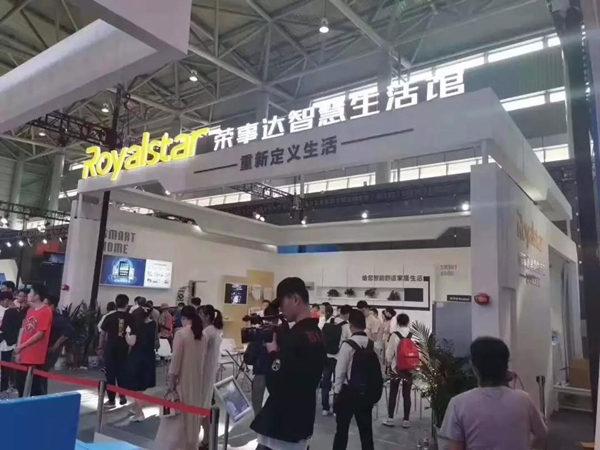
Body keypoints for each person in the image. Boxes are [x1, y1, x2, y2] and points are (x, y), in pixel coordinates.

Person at [251, 277, 326, 450]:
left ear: (295, 299)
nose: (280, 309)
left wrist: (272, 351)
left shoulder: (295, 336)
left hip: (283, 425)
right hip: (302, 418)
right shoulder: (316, 333)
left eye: (282, 303)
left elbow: (276, 381)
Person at [440, 337, 548, 450]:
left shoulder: (458, 404)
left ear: (474, 367)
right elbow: (542, 433)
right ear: (505, 366)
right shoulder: (524, 400)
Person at [154, 306, 208, 450]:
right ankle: (191, 445)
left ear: (183, 318)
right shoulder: (203, 335)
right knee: (192, 418)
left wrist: (171, 385)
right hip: (197, 383)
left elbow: (175, 363)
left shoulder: (181, 334)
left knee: (176, 422)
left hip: (182, 383)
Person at [333, 309, 382, 450]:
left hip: (348, 393)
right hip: (366, 395)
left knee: (341, 431)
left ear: (351, 325)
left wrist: (336, 391)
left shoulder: (347, 345)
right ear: (364, 325)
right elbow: (378, 369)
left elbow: (340, 371)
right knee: (366, 433)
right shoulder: (373, 345)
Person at [14, 284, 53, 397]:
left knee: (35, 387)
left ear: (37, 296)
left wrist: (21, 347)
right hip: (23, 352)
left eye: (31, 292)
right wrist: (19, 348)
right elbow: (23, 329)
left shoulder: (46, 311)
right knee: (20, 384)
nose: (28, 295)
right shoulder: (30, 310)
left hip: (35, 355)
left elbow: (40, 334)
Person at [99, 294, 135, 407]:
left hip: (110, 348)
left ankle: (111, 400)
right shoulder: (131, 318)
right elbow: (134, 334)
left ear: (116, 303)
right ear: (127, 304)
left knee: (110, 374)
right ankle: (122, 395)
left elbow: (103, 334)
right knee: (122, 373)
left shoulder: (109, 317)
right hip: (125, 348)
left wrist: (100, 347)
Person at [244, 304, 279, 414]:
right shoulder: (282, 332)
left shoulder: (260, 333)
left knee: (258, 408)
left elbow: (248, 359)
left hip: (260, 374)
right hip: (277, 375)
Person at [123, 306, 157, 422]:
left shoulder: (135, 326)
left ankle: (139, 413)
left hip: (137, 357)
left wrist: (126, 335)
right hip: (149, 356)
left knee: (136, 387)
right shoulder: (153, 324)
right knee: (141, 386)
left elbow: (131, 342)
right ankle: (135, 407)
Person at [198, 304, 224, 450]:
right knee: (204, 405)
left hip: (204, 372)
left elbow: (199, 351)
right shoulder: (215, 330)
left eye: (201, 313)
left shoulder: (208, 332)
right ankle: (206, 438)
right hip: (210, 371)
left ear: (207, 316)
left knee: (202, 406)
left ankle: (206, 438)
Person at [384, 313, 415, 428]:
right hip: (409, 369)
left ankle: (390, 418)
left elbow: (389, 353)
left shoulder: (394, 335)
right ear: (408, 322)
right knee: (407, 394)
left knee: (393, 393)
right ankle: (406, 420)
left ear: (397, 322)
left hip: (396, 368)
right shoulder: (413, 335)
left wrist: (388, 365)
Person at [321, 304, 351, 416]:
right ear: (347, 314)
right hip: (338, 357)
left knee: (325, 382)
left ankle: (325, 408)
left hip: (326, 356)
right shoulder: (346, 326)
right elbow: (349, 341)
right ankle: (336, 409)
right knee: (338, 383)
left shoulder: (330, 320)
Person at [42, 294, 74, 393]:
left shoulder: (58, 319)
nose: (43, 306)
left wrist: (56, 344)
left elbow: (69, 332)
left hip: (50, 350)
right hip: (43, 348)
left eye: (45, 304)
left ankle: (42, 394)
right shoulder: (45, 316)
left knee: (43, 373)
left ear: (52, 306)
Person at [0, 291, 18, 396]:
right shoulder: (16, 310)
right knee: (6, 365)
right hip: (9, 341)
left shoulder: (10, 311)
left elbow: (4, 327)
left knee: (5, 365)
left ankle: (4, 386)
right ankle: (5, 386)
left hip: (6, 341)